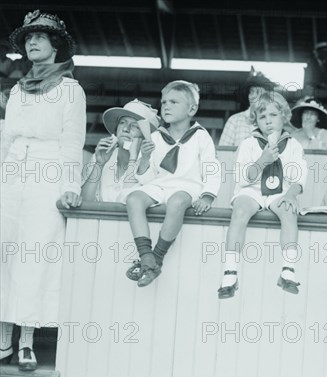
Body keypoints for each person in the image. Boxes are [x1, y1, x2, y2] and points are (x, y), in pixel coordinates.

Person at [1, 9, 86, 371]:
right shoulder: (17, 90)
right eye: (28, 39)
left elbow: (72, 140)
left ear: (55, 45)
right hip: (13, 172)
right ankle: (3, 338)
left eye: (39, 37)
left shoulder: (70, 89)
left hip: (48, 173)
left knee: (36, 255)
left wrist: (69, 185)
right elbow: (7, 137)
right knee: (6, 250)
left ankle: (27, 341)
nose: (32, 43)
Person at [124, 81, 221, 287]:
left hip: (188, 187)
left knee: (177, 202)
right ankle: (146, 255)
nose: (166, 106)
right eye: (164, 102)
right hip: (160, 185)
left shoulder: (201, 136)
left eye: (174, 102)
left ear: (191, 109)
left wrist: (207, 195)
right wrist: (144, 158)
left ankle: (157, 257)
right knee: (133, 198)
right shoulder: (157, 136)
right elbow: (147, 179)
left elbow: (211, 167)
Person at [217, 92, 307, 299]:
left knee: (288, 211)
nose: (268, 121)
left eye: (273, 115)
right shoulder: (249, 143)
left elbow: (298, 178)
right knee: (239, 210)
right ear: (255, 121)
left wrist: (292, 195)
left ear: (284, 117)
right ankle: (230, 272)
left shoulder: (293, 145)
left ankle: (288, 270)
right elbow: (242, 178)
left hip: (280, 192)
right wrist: (263, 160)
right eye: (262, 117)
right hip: (252, 190)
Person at [81, 99, 160, 202]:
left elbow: (126, 202)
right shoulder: (103, 155)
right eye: (122, 122)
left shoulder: (150, 161)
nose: (126, 129)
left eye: (135, 126)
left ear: (145, 136)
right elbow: (85, 201)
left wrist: (134, 157)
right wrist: (99, 164)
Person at [218, 71, 276, 147]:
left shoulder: (273, 122)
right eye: (251, 92)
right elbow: (223, 153)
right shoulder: (234, 120)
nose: (252, 96)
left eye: (258, 93)